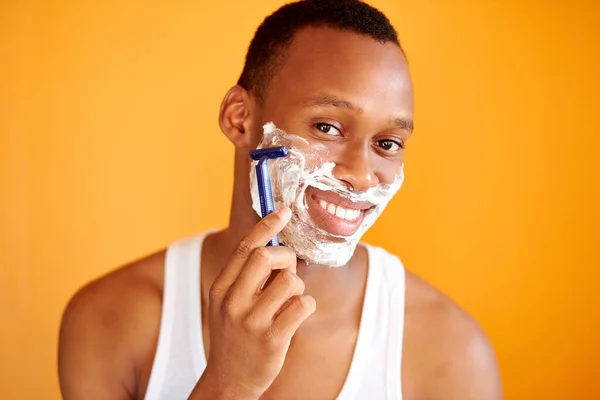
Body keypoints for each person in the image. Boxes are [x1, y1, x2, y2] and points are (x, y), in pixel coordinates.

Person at [58, 1, 502, 399]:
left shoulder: (451, 351)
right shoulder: (109, 321)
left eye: (387, 143)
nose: (362, 175)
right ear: (240, 118)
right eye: (327, 128)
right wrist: (230, 384)